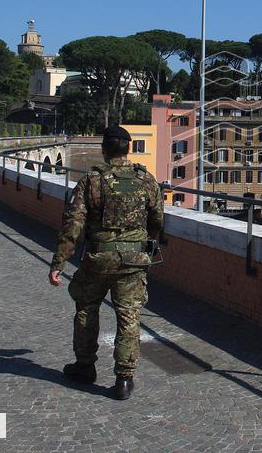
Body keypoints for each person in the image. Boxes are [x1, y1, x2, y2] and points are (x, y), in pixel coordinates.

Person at [49, 125, 164, 400]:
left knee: (87, 309)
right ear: (129, 148)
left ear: (104, 150)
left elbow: (72, 224)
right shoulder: (146, 180)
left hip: (99, 257)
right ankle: (124, 378)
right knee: (129, 315)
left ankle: (85, 366)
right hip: (134, 260)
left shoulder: (92, 181)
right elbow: (157, 219)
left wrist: (58, 263)